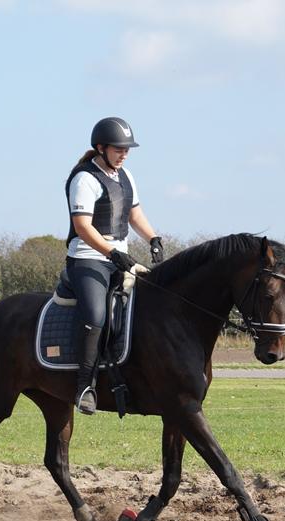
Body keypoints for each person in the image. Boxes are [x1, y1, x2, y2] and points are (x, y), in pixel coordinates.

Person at [63, 116, 164, 415]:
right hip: (87, 259)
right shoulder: (84, 179)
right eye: (119, 149)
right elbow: (82, 227)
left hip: (121, 258)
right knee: (95, 315)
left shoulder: (126, 176)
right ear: (101, 147)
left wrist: (153, 238)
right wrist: (111, 253)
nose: (124, 154)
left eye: (127, 149)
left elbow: (134, 215)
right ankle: (85, 385)